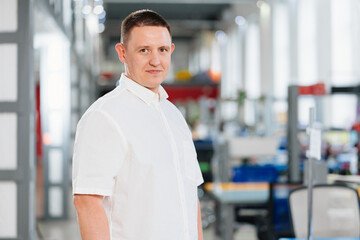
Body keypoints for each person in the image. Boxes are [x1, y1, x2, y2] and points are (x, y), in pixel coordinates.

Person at [72, 9, 204, 240]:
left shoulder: (174, 116)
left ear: (171, 51)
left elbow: (190, 196)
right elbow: (87, 202)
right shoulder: (104, 116)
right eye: (144, 50)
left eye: (162, 50)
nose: (155, 61)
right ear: (122, 53)